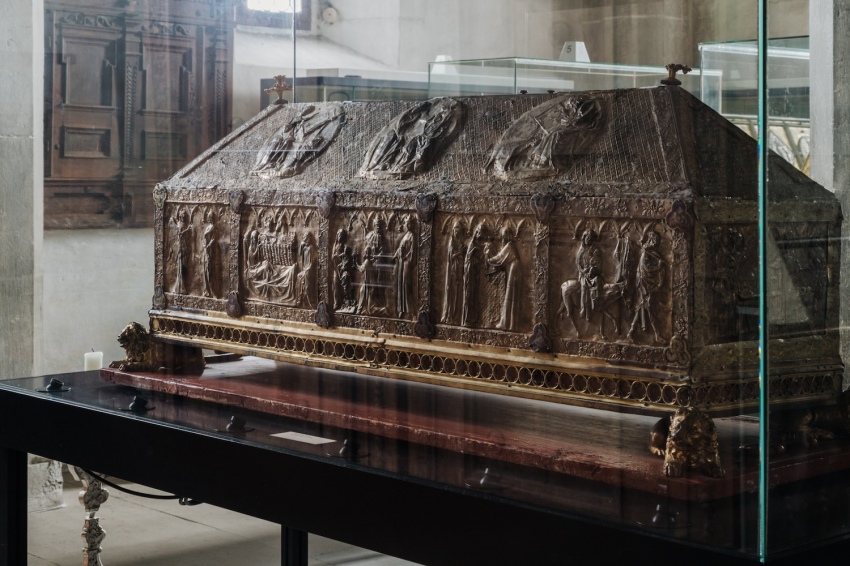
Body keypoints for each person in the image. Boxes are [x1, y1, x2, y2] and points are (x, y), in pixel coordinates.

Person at [628, 231, 665, 342]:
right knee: (650, 309)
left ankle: (631, 332)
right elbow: (646, 269)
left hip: (649, 285)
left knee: (642, 308)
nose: (657, 242)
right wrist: (659, 266)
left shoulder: (652, 253)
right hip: (644, 285)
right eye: (656, 240)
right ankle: (657, 335)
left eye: (658, 240)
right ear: (651, 240)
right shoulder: (645, 254)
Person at [487, 225, 521, 331]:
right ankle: (511, 324)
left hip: (513, 270)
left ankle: (506, 323)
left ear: (508, 236)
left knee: (510, 296)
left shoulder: (509, 245)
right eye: (502, 235)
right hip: (514, 268)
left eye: (504, 235)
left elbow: (499, 258)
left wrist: (488, 257)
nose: (503, 238)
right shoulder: (510, 245)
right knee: (512, 296)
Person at [393, 216, 416, 318]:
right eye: (407, 223)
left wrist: (406, 257)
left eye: (409, 223)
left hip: (406, 262)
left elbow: (412, 251)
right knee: (401, 285)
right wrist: (396, 255)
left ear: (412, 224)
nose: (407, 225)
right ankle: (401, 309)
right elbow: (400, 248)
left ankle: (411, 310)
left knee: (406, 284)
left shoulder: (412, 236)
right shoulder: (406, 235)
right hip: (401, 262)